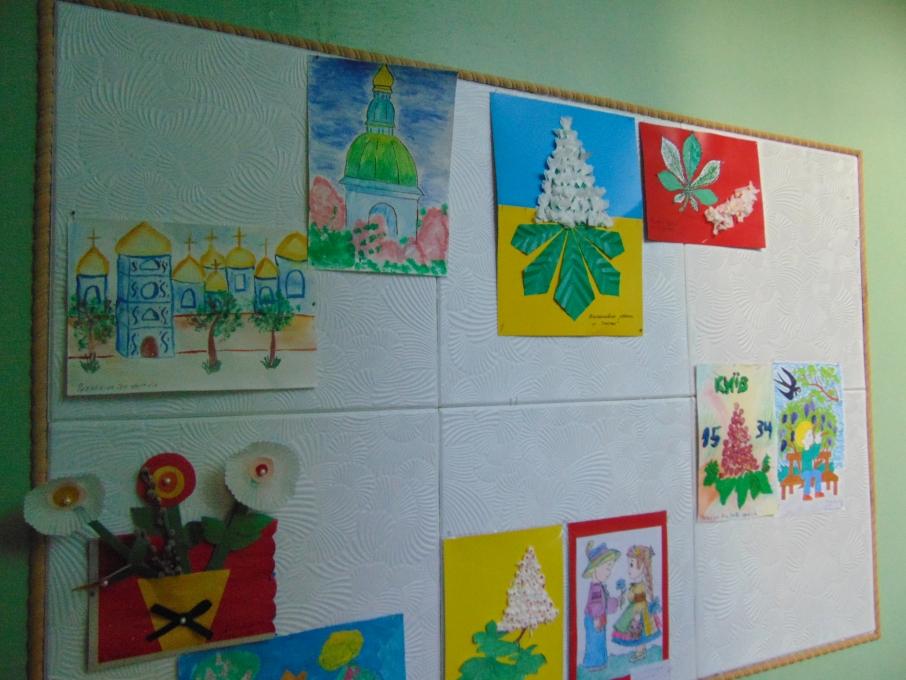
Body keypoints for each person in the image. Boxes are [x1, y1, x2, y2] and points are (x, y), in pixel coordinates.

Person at [612, 545, 661, 662]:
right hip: (635, 610)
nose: (629, 569)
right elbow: (632, 597)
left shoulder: (641, 585)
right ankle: (641, 651)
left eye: (631, 565)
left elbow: (640, 599)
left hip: (638, 612)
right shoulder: (636, 585)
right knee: (637, 632)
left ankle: (640, 652)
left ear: (642, 566)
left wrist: (637, 615)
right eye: (629, 565)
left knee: (638, 632)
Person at [580, 540, 620, 670]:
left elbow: (605, 603)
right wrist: (597, 618)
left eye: (610, 568)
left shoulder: (600, 587)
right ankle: (593, 663)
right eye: (607, 568)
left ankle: (600, 663)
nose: (609, 572)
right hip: (594, 620)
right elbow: (595, 605)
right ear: (595, 569)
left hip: (599, 619)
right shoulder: (596, 589)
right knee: (594, 642)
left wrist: (617, 601)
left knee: (599, 641)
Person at [795, 421, 824, 501]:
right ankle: (806, 494)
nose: (812, 437)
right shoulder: (804, 452)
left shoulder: (810, 449)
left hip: (810, 471)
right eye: (809, 435)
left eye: (812, 435)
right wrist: (816, 443)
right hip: (804, 473)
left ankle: (817, 492)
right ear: (803, 441)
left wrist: (817, 442)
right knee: (807, 475)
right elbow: (810, 456)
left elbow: (815, 454)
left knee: (818, 473)